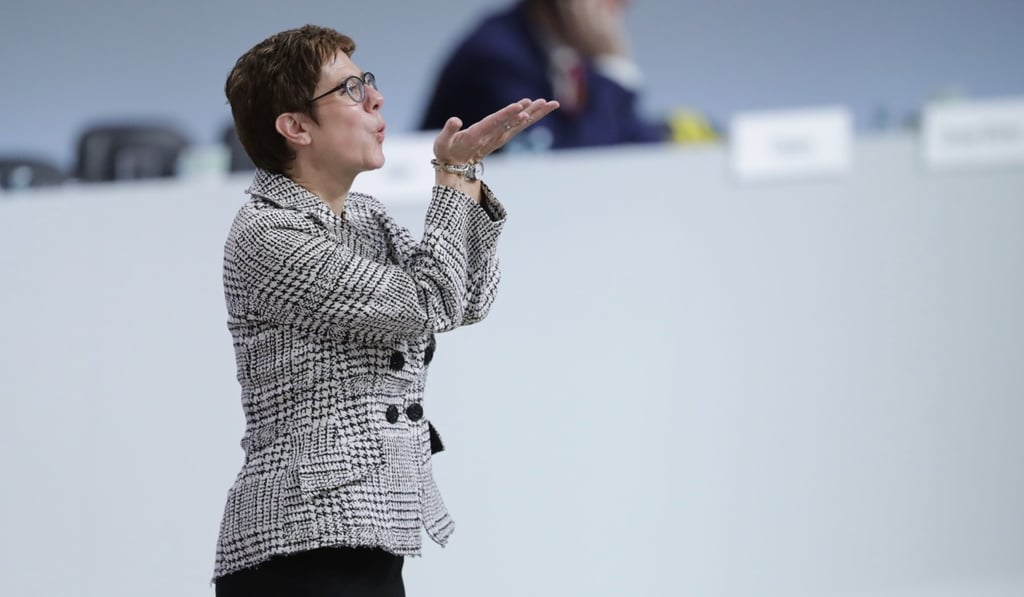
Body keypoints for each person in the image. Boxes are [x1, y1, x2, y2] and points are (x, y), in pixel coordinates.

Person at [212, 25, 558, 597]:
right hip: (299, 544)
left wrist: (466, 175)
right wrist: (452, 175)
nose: (375, 99)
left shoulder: (366, 218)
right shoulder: (266, 232)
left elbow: (468, 299)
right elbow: (430, 301)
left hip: (364, 536)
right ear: (296, 127)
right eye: (349, 90)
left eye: (367, 82)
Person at [419, 0, 667, 151]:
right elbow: (568, 169)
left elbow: (638, 146)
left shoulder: (575, 48)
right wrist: (614, 69)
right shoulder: (496, 57)